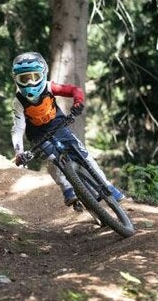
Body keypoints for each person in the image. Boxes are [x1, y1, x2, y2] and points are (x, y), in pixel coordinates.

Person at [9, 51, 126, 209]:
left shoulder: (49, 87)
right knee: (52, 160)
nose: (30, 83)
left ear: (43, 74)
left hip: (57, 125)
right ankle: (68, 190)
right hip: (37, 135)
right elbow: (18, 128)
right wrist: (19, 152)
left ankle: (107, 186)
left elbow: (74, 90)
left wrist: (78, 102)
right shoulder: (18, 102)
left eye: (34, 77)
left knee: (84, 156)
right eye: (24, 79)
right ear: (16, 80)